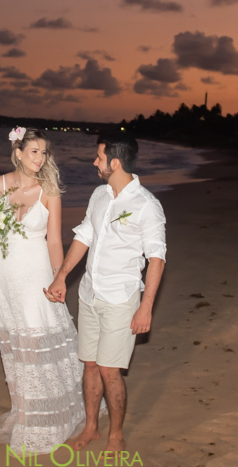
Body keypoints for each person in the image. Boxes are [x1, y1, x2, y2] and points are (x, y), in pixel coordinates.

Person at [44, 129, 166, 454]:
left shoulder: (146, 205)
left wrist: (146, 307)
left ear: (114, 162)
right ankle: (91, 427)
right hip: (89, 294)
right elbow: (84, 235)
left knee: (110, 370)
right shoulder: (99, 195)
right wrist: (62, 277)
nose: (94, 162)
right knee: (90, 364)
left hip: (120, 298)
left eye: (98, 157)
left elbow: (157, 258)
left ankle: (116, 434)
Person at [0, 127, 86, 453]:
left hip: (35, 273)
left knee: (36, 338)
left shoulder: (49, 190)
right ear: (18, 153)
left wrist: (60, 279)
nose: (40, 158)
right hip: (0, 274)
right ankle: (25, 410)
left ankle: (49, 417)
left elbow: (54, 240)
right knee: (14, 344)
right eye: (34, 152)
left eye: (44, 152)